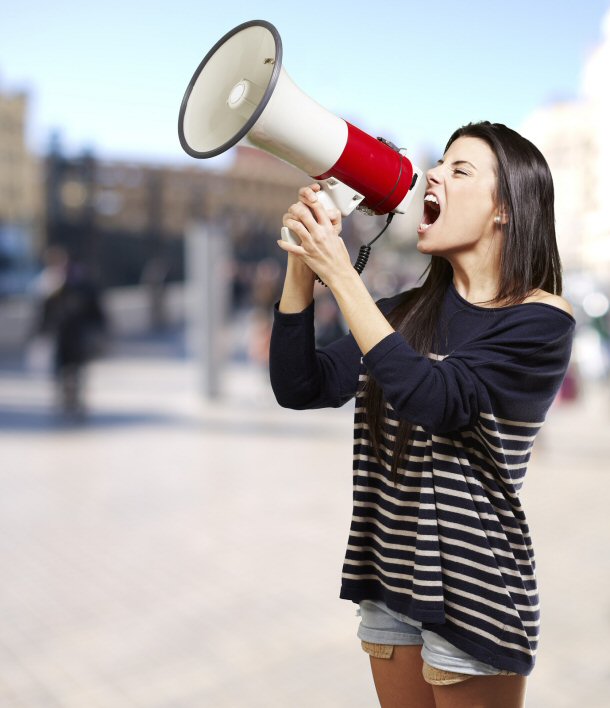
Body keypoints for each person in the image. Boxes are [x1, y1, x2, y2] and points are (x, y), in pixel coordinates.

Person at [268, 121, 575, 708]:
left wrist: (340, 273)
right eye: (442, 164)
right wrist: (302, 268)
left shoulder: (541, 320)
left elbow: (435, 398)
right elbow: (299, 385)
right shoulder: (400, 312)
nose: (433, 173)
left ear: (505, 209)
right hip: (390, 575)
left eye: (460, 171)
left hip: (475, 587)